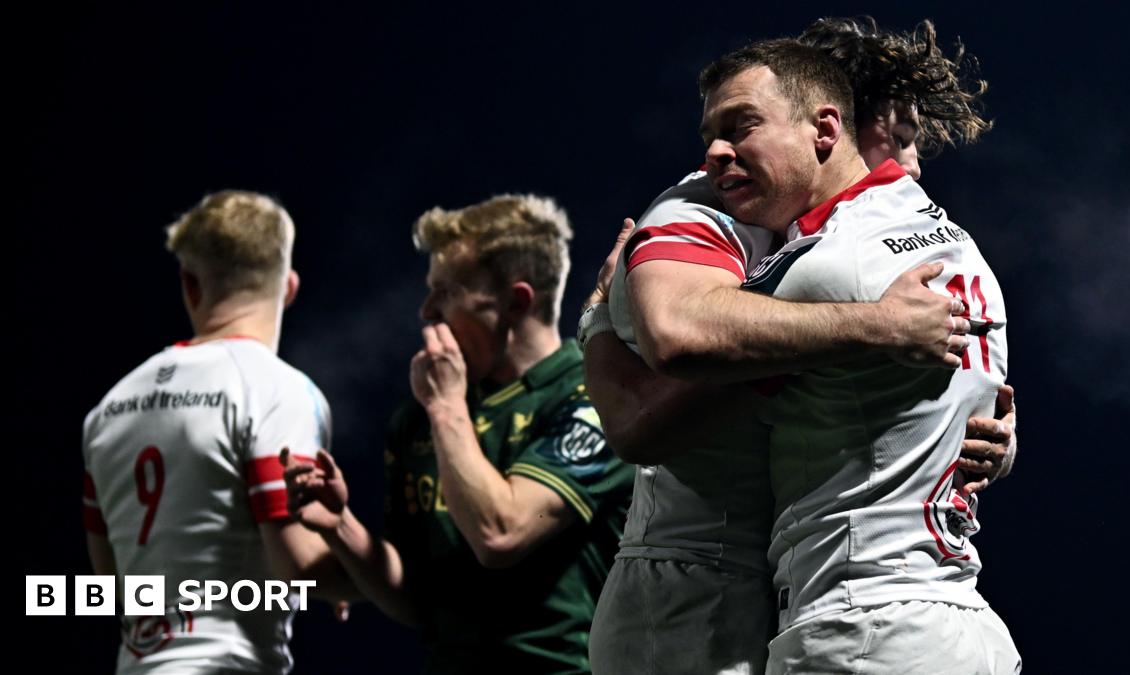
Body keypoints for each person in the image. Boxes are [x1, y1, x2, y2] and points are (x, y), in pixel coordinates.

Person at [581, 19, 1016, 675]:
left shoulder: (832, 255)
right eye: (898, 138)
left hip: (854, 617)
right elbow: (668, 361)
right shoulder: (707, 212)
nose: (912, 164)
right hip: (692, 602)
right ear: (832, 123)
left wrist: (981, 433)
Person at [283, 194, 634, 673]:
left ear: (516, 302)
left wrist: (446, 407)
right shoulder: (418, 417)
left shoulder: (592, 395)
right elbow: (416, 601)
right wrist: (340, 525)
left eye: (446, 292)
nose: (427, 311)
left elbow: (501, 534)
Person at [81, 190, 353, 674]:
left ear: (189, 285)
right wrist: (375, 576)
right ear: (289, 287)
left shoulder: (108, 408)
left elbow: (111, 582)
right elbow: (300, 566)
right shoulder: (278, 389)